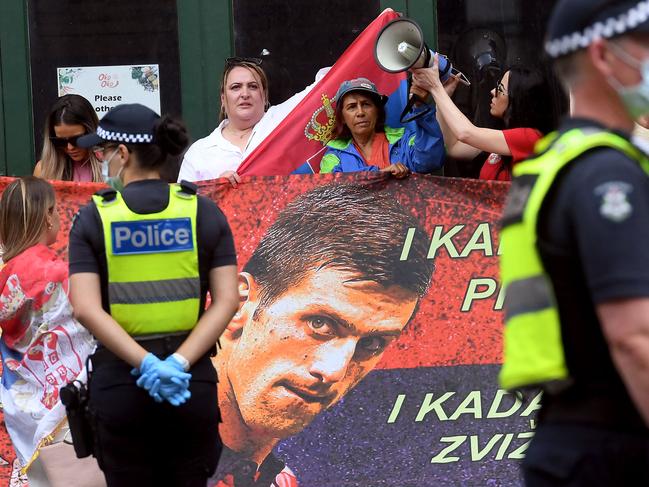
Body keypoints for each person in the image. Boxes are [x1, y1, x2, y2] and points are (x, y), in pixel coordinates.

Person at [498, 1, 649, 485]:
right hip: (614, 448)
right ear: (604, 56)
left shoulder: (553, 165)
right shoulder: (606, 175)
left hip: (572, 438)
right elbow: (635, 338)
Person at [209, 183, 435, 486]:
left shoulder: (281, 480)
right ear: (236, 305)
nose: (333, 370)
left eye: (372, 343)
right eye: (320, 324)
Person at [68, 104, 239, 486]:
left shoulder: (94, 218)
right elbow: (227, 300)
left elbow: (85, 307)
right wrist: (177, 363)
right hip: (189, 384)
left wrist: (146, 364)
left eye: (103, 151)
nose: (102, 160)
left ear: (124, 154)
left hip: (121, 385)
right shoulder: (204, 213)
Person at [0, 177, 96, 485]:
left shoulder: (5, 273)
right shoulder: (57, 271)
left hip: (25, 399)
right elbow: (88, 324)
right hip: (68, 398)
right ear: (47, 215)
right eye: (55, 210)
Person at [178, 57, 328, 186]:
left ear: (264, 96)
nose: (245, 94)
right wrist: (215, 189)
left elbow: (329, 82)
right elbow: (184, 208)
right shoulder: (199, 153)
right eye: (236, 87)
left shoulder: (283, 120)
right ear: (223, 99)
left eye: (253, 86)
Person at [412, 58, 557, 181]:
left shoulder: (531, 138)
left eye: (500, 89)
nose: (493, 92)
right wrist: (444, 94)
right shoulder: (501, 133)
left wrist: (435, 87)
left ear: (519, 100)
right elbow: (453, 147)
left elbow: (466, 133)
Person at [318, 77, 445, 176]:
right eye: (352, 107)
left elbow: (431, 161)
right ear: (343, 118)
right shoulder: (334, 156)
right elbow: (328, 193)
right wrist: (381, 175)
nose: (360, 112)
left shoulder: (403, 141)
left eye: (366, 104)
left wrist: (420, 107)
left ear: (377, 111)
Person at [34, 94, 103, 182]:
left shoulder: (112, 167)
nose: (70, 147)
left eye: (76, 140)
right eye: (60, 141)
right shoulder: (44, 171)